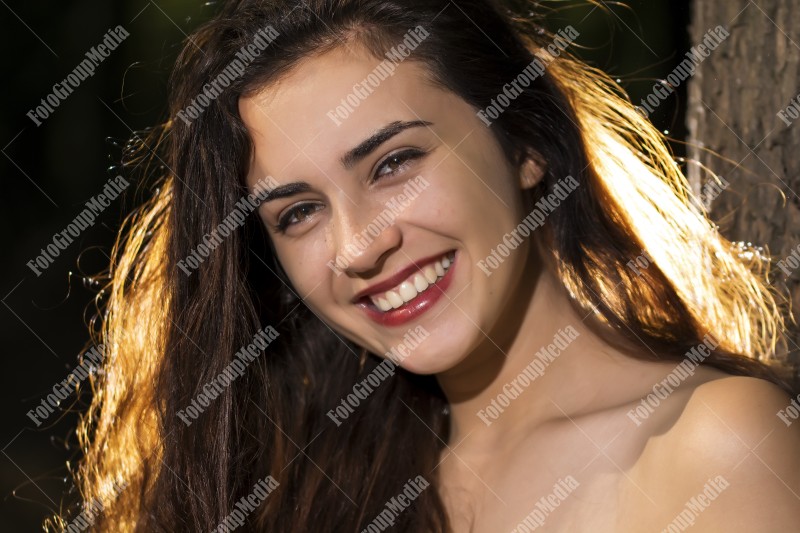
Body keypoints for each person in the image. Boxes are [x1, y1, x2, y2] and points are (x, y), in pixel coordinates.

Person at [50, 0, 800, 531]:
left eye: (393, 161)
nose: (357, 247)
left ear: (526, 142)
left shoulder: (717, 443)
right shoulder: (312, 490)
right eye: (299, 212)